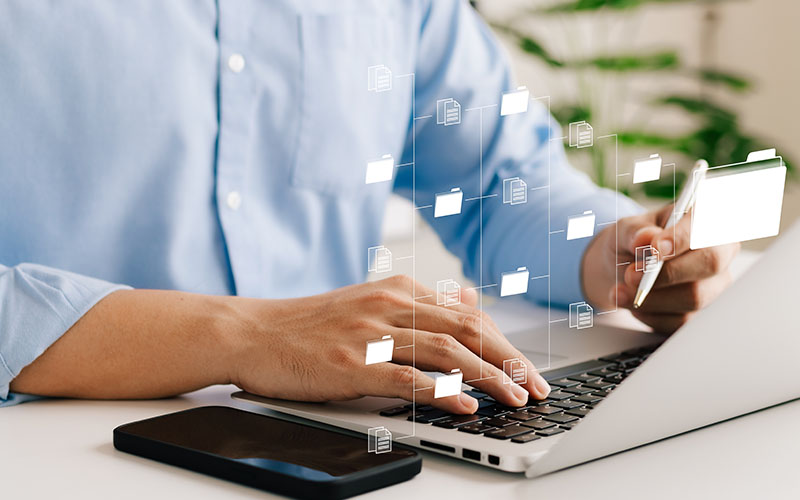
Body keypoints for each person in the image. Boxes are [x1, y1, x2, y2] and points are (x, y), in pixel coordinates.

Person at [0, 0, 738, 412]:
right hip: (52, 444)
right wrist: (243, 337)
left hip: (333, 433)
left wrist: (611, 250)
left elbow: (497, 182)